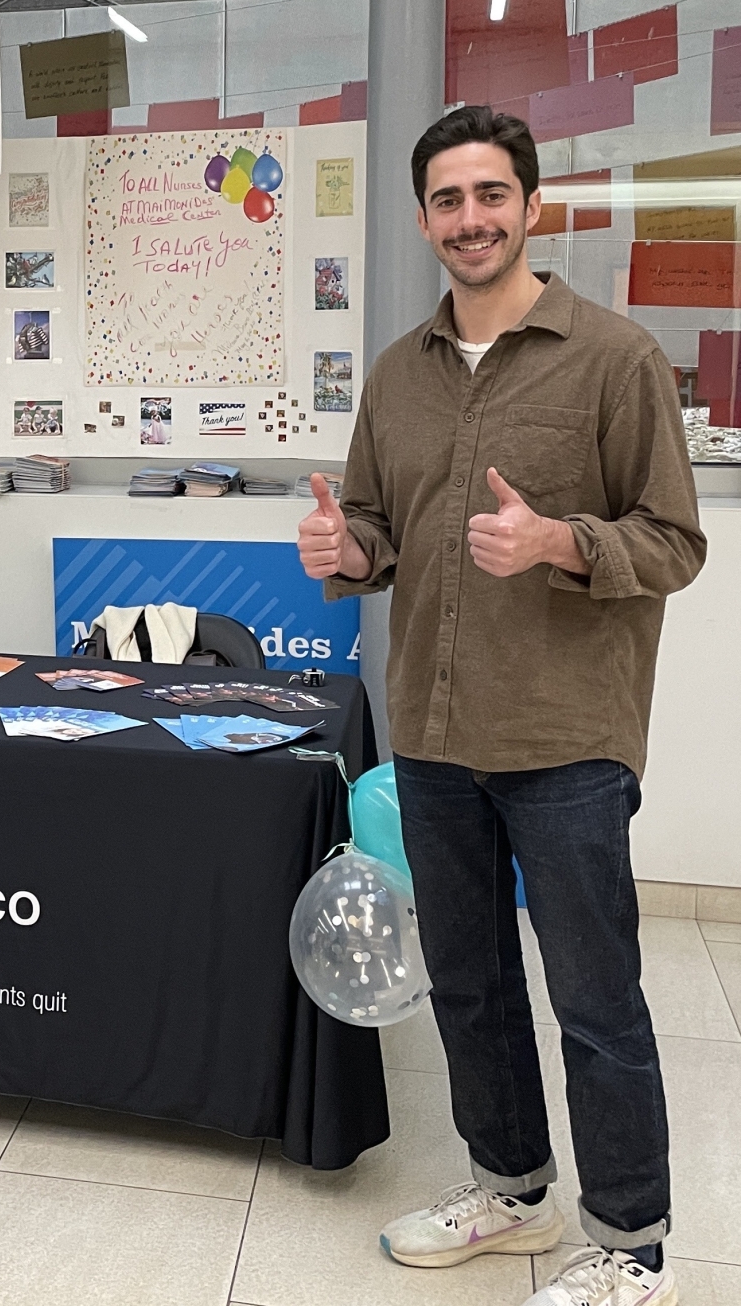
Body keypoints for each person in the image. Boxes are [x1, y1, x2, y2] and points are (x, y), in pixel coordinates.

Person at [297, 106, 703, 1306]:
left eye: (489, 195)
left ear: (530, 205)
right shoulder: (397, 372)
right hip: (429, 728)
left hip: (563, 733)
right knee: (466, 982)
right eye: (445, 200)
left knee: (593, 996)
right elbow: (379, 529)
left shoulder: (613, 358)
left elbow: (673, 541)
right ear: (423, 217)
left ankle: (631, 1246)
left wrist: (558, 542)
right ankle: (512, 1190)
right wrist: (341, 546)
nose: (468, 219)